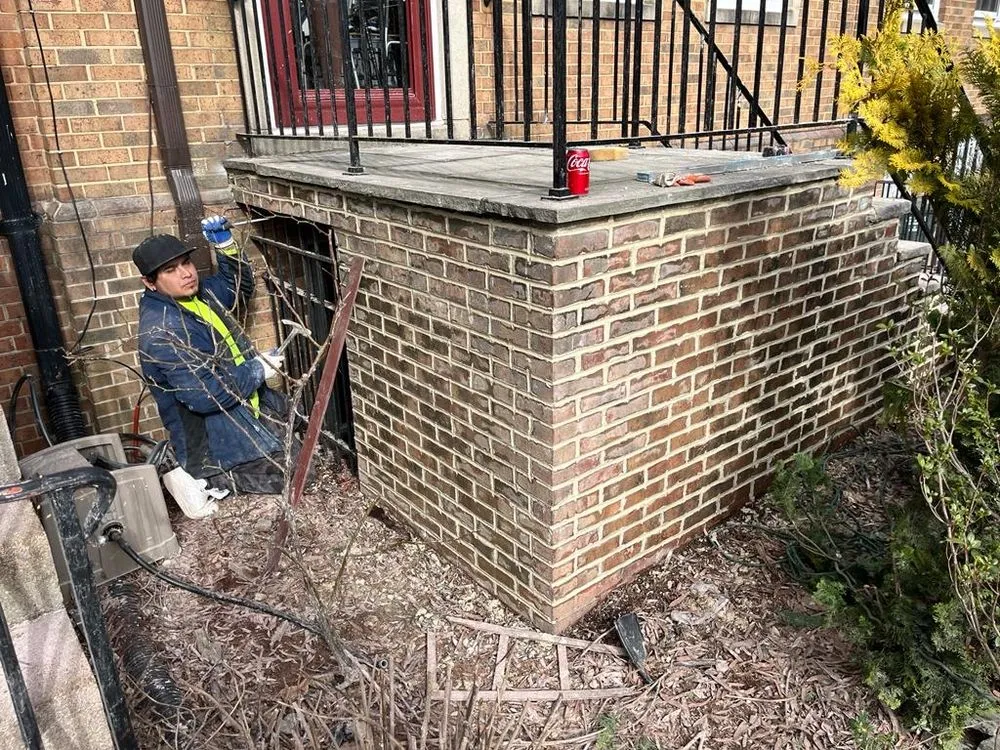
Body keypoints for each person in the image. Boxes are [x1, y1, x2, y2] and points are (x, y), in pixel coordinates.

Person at [134, 216, 288, 494]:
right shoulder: (163, 331)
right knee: (292, 477)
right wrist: (257, 369)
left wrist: (226, 246)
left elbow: (236, 287)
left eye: (186, 263)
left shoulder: (198, 295)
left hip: (244, 407)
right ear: (149, 282)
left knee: (301, 440)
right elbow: (206, 395)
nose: (186, 273)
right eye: (171, 270)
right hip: (217, 441)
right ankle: (211, 481)